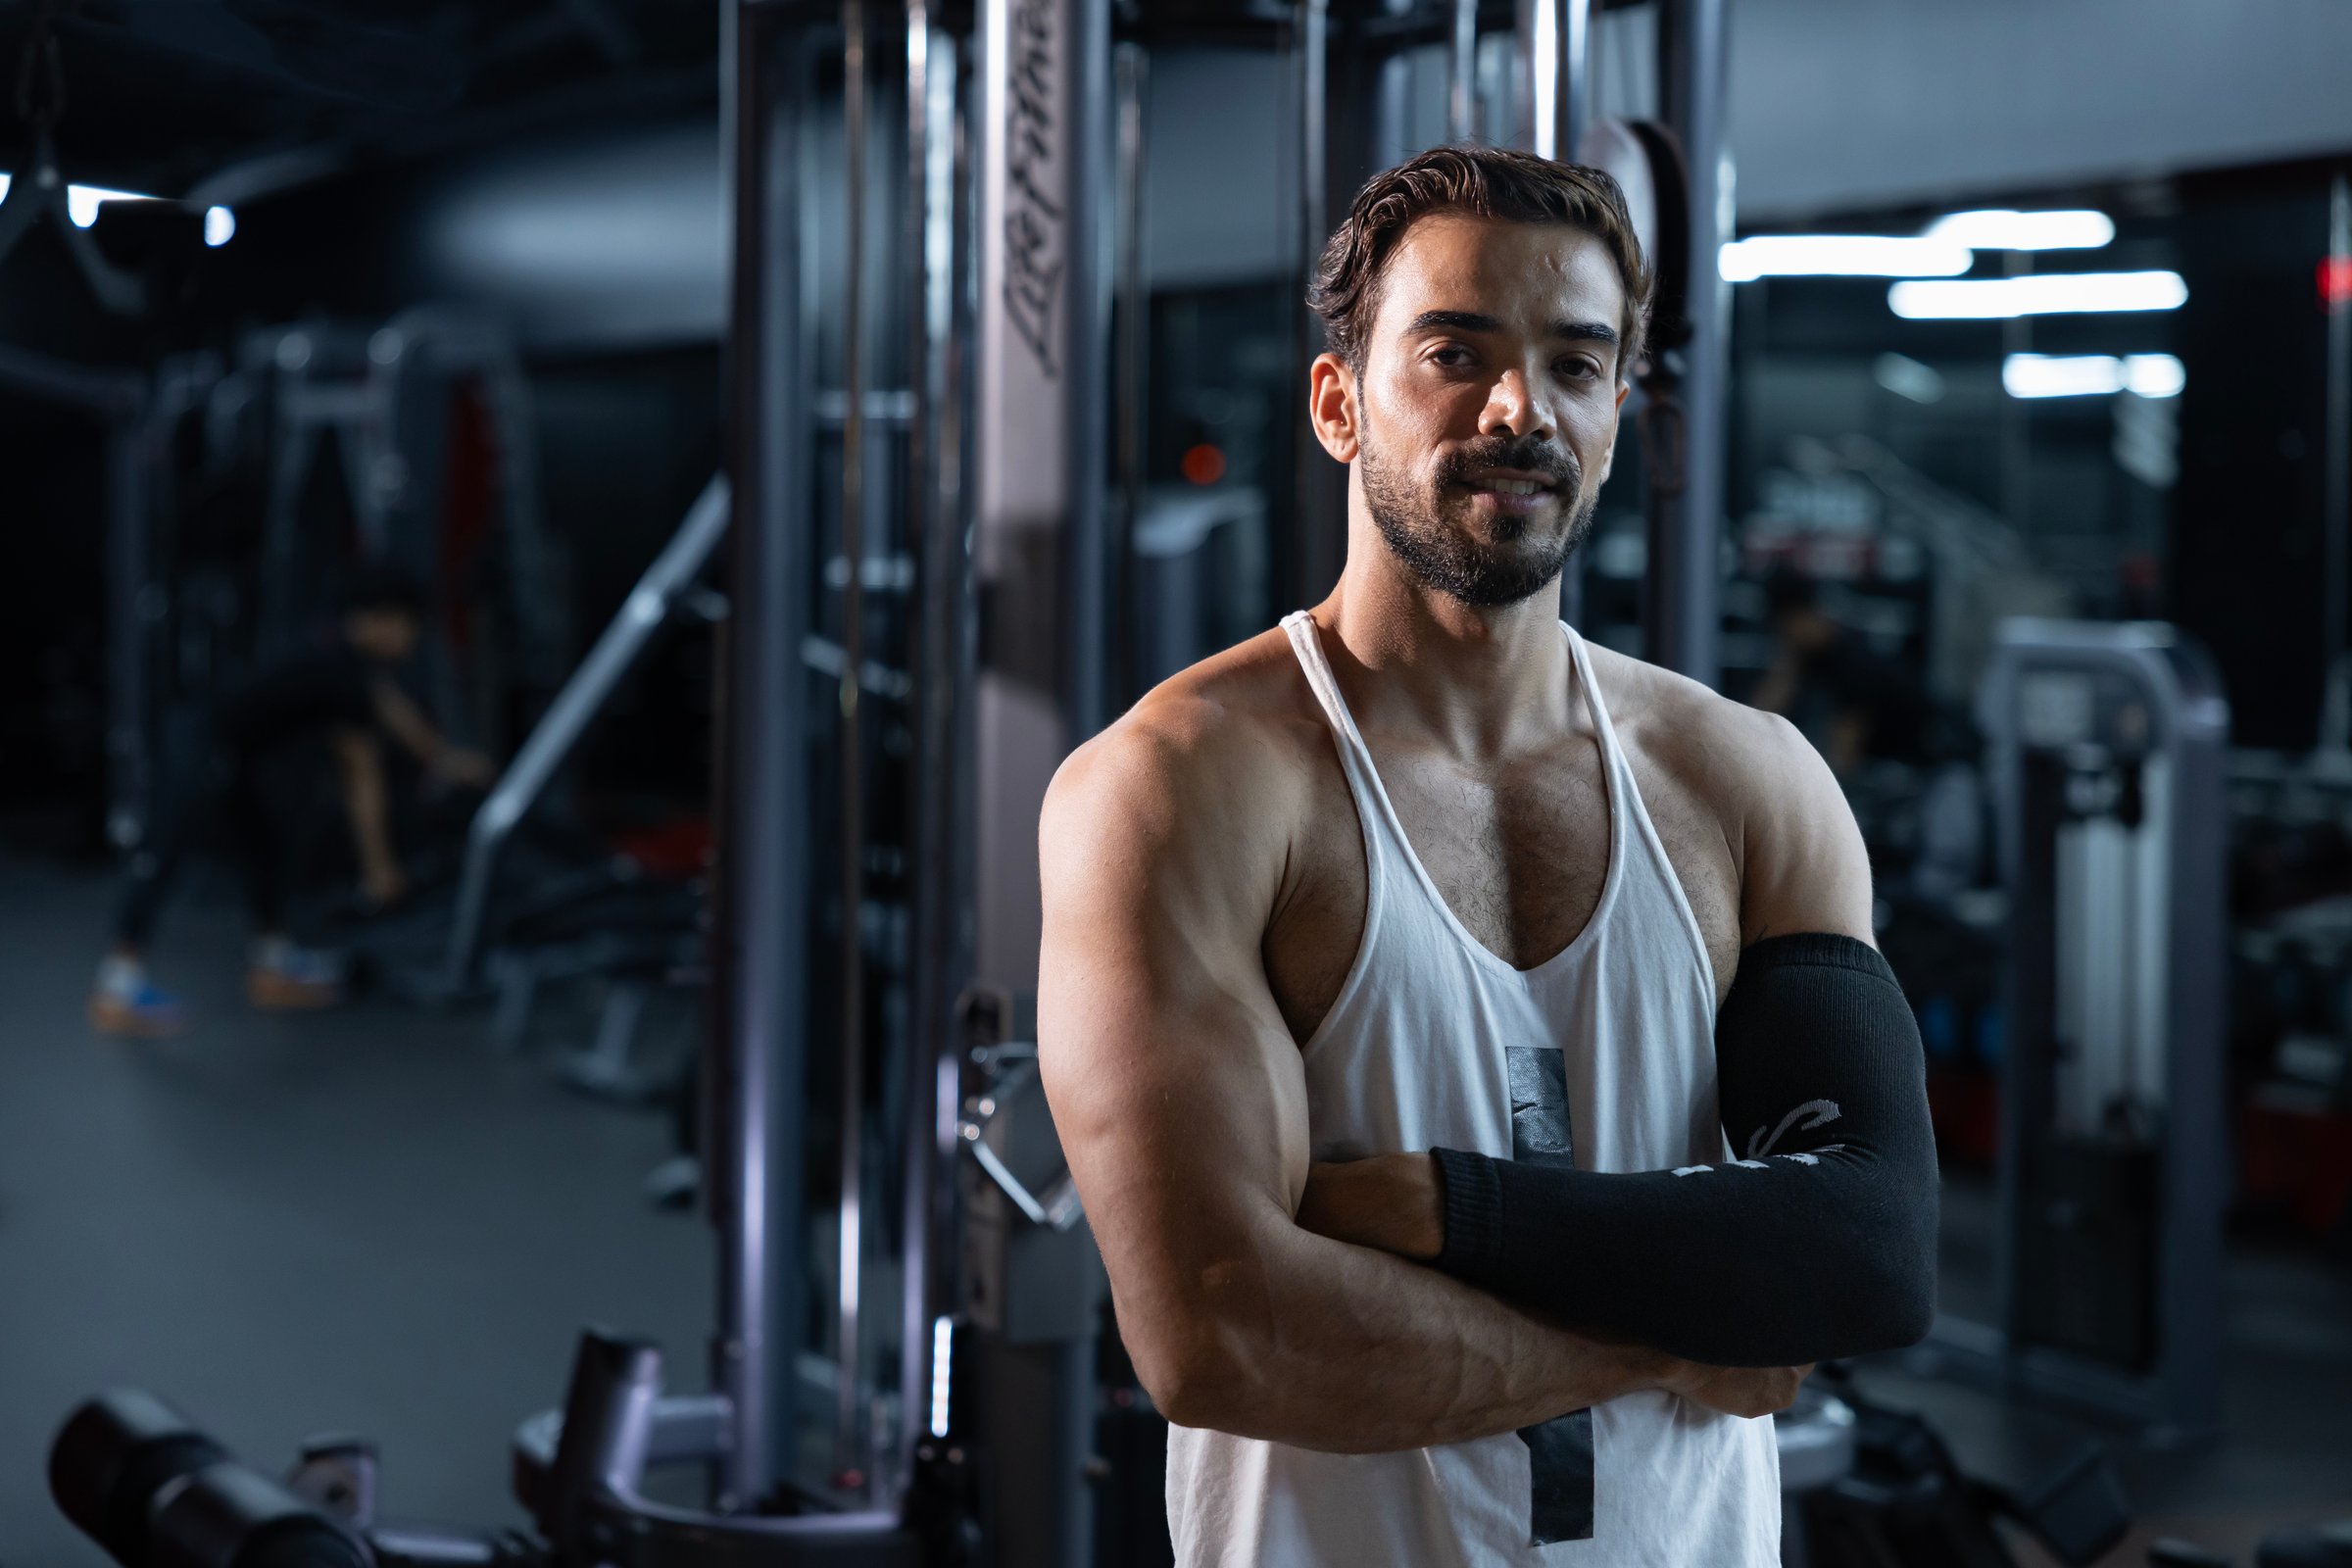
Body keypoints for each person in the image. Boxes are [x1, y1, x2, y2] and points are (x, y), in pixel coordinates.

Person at [1036, 147, 1937, 1566]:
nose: (1522, 409)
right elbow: (1226, 1334)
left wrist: (1458, 1213)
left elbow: (1870, 1252)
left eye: (1576, 365)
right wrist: (1677, 1340)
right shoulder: (1181, 789)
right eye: (1456, 354)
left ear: (1616, 415)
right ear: (1338, 403)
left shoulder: (1747, 783)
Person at [88, 565, 496, 1036]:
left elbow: (391, 710)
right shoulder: (340, 672)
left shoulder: (341, 656)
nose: (412, 638)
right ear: (377, 621)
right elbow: (361, 774)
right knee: (162, 852)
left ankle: (273, 966)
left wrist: (444, 759)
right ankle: (117, 985)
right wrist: (380, 868)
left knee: (266, 849)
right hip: (197, 742)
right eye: (408, 625)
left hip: (232, 755)